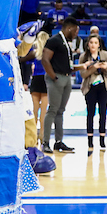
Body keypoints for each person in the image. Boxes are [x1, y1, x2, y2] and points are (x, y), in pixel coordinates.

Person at [41, 17, 79, 153]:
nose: (76, 34)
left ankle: (58, 141)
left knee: (60, 111)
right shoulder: (54, 40)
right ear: (69, 28)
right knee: (52, 110)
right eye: (75, 31)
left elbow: (68, 64)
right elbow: (45, 59)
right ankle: (45, 142)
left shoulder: (65, 43)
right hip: (57, 78)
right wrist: (54, 77)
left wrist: (82, 66)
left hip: (66, 78)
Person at [77, 34, 107, 153]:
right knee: (90, 113)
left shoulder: (105, 54)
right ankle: (90, 140)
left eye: (95, 43)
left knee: (103, 113)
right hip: (90, 87)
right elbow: (83, 74)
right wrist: (94, 67)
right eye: (91, 42)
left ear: (99, 45)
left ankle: (102, 139)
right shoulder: (84, 56)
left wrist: (106, 67)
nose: (93, 45)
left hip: (103, 87)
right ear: (88, 44)